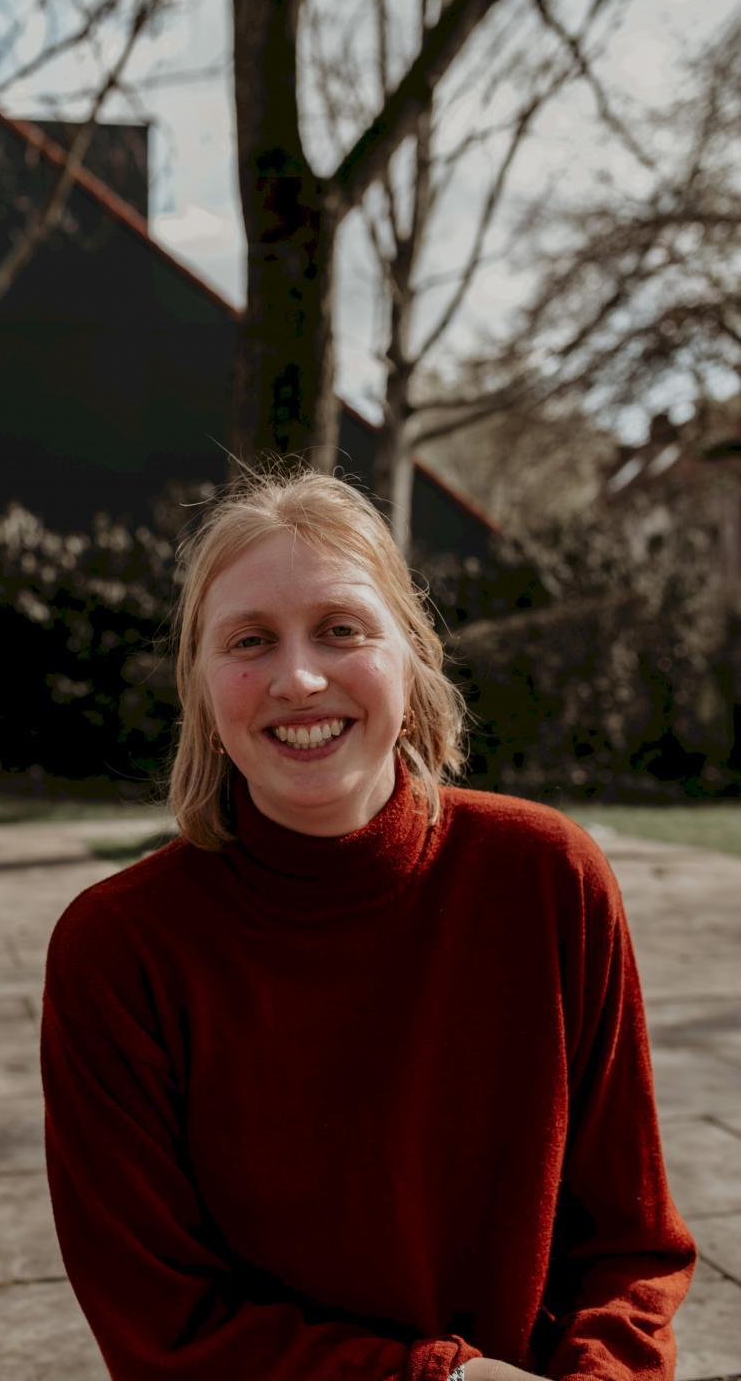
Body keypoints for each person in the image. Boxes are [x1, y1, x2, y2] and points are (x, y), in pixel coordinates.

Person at [40, 469, 695, 1381]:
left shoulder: (549, 876)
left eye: (341, 628)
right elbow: (162, 1326)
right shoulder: (117, 949)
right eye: (250, 640)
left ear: (410, 656)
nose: (299, 678)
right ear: (201, 686)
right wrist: (440, 1379)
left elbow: (633, 1248)